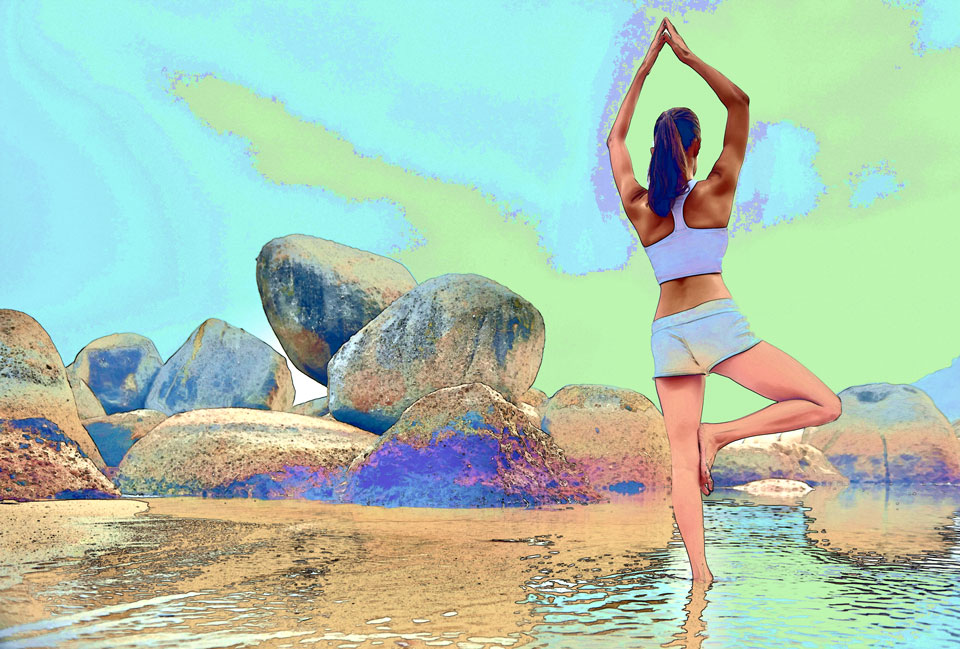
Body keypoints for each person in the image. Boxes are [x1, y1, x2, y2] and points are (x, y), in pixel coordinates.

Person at [605, 17, 842, 583]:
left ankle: (700, 578)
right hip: (716, 323)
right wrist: (685, 57)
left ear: (659, 148)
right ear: (694, 146)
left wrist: (643, 67)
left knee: (682, 464)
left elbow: (614, 140)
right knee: (824, 404)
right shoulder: (714, 190)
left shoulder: (640, 205)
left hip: (667, 333)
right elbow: (739, 103)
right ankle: (723, 434)